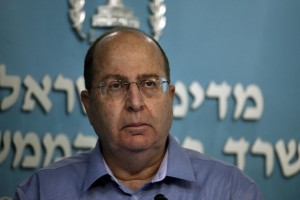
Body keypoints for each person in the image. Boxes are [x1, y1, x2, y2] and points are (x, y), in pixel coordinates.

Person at [14, 27, 263, 200]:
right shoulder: (40, 192)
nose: (135, 102)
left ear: (171, 98)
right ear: (88, 105)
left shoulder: (233, 190)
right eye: (114, 86)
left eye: (149, 83)